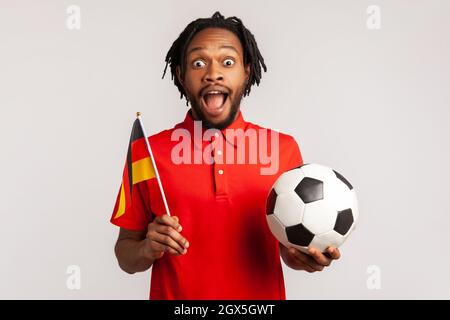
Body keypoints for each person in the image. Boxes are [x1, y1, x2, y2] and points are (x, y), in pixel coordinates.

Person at [111, 11, 341, 300]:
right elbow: (125, 254)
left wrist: (304, 257)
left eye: (228, 62)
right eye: (198, 62)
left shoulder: (282, 149)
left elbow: (288, 250)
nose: (213, 73)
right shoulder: (146, 152)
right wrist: (147, 247)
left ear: (246, 72)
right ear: (181, 76)